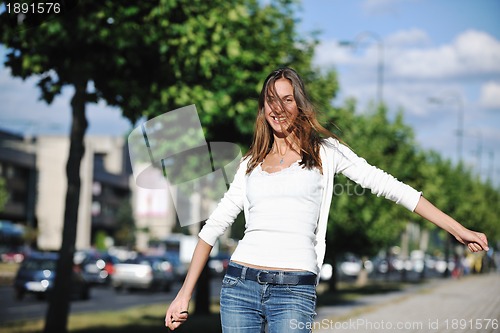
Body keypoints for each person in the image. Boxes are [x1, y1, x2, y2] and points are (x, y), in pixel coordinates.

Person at [165, 67, 489, 332]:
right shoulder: (250, 163)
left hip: (294, 289)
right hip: (239, 286)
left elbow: (390, 186)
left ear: (300, 105)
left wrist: (456, 228)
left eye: (287, 100)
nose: (278, 109)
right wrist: (184, 295)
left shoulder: (325, 153)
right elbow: (213, 227)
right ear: (262, 109)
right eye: (270, 100)